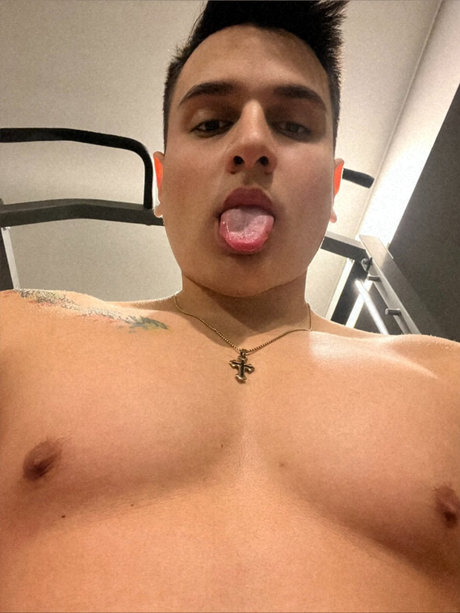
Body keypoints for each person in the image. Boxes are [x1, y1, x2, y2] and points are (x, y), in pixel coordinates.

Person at [0, 1, 459, 611]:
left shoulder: (448, 379)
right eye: (212, 122)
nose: (252, 142)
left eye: (293, 125)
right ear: (162, 181)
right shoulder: (21, 330)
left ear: (332, 188)